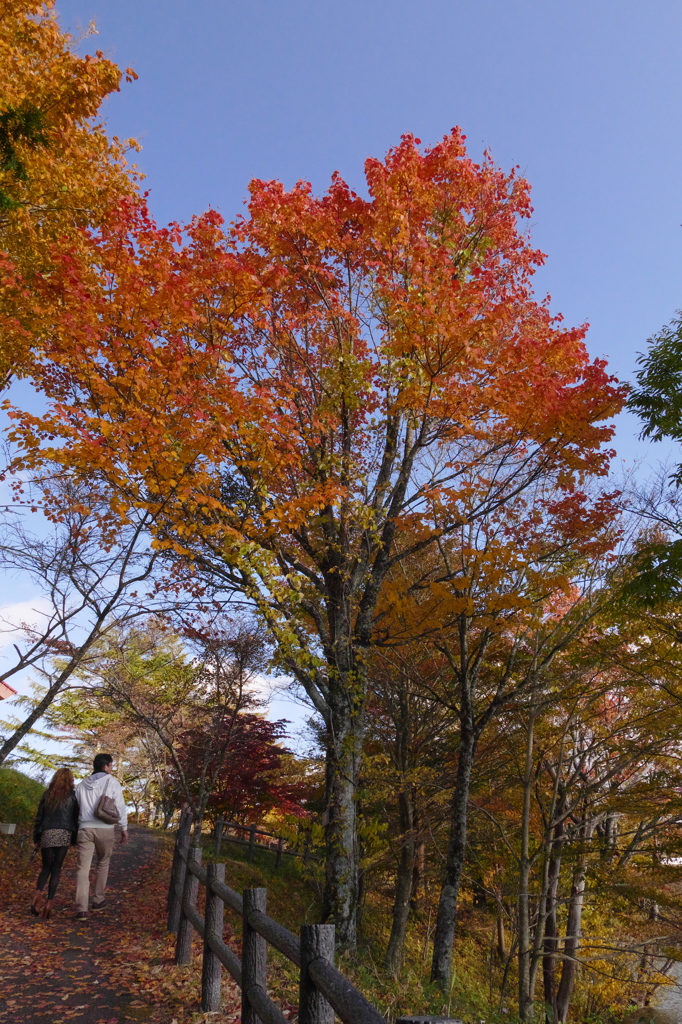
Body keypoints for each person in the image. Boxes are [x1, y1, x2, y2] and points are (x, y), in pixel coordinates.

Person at [74, 753, 128, 920]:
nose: (111, 768)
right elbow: (119, 805)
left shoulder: (82, 784)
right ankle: (98, 900)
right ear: (105, 766)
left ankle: (81, 908)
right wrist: (124, 828)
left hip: (84, 828)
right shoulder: (112, 782)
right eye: (111, 765)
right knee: (103, 863)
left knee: (83, 868)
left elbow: (76, 808)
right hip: (105, 828)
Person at [31, 767, 79, 919]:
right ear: (70, 780)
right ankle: (49, 903)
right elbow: (76, 818)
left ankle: (37, 894)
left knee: (46, 867)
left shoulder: (47, 794)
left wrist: (37, 837)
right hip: (64, 833)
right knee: (56, 868)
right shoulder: (73, 796)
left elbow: (39, 817)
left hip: (47, 832)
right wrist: (75, 838)